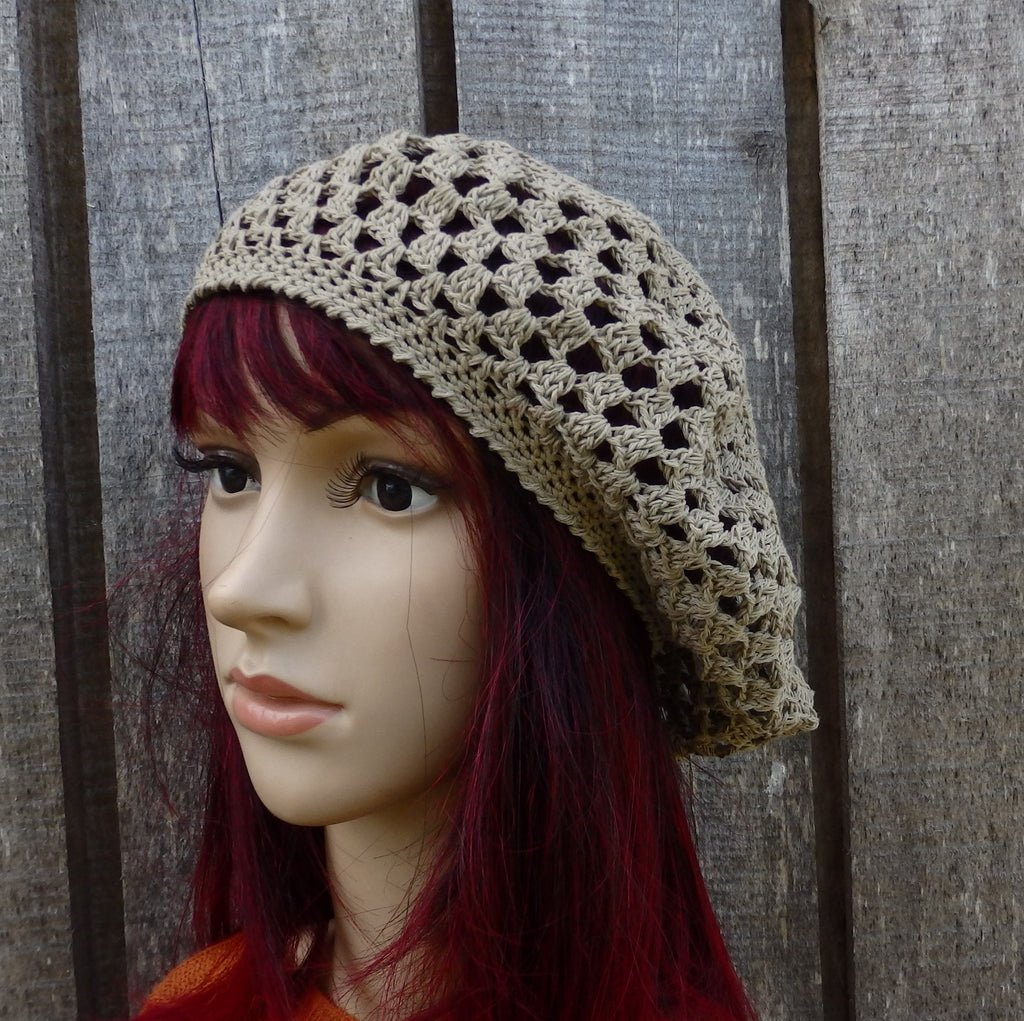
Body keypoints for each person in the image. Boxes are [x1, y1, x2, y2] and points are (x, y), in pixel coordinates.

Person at [135, 131, 816, 1021]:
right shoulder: (199, 1008)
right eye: (229, 470)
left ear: (572, 572)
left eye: (389, 486)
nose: (242, 589)